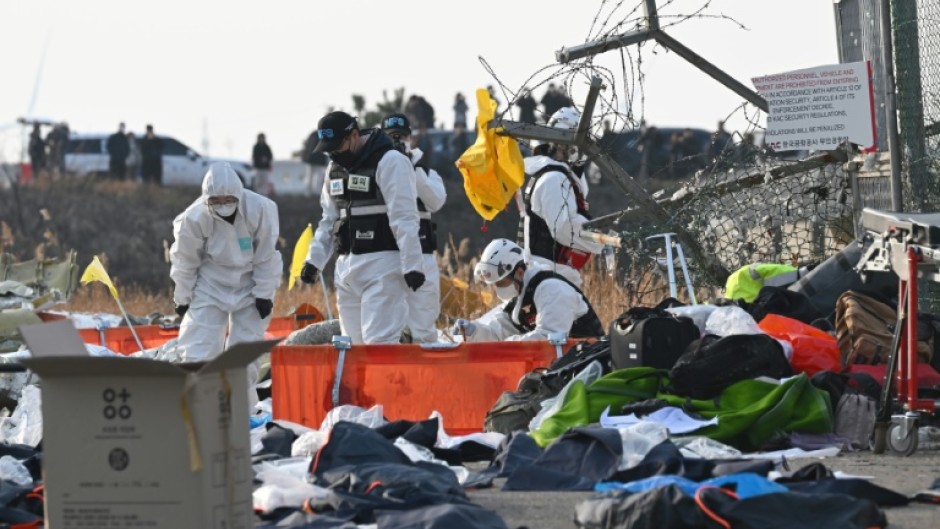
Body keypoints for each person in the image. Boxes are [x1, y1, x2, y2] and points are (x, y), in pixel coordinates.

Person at [299, 111, 425, 344]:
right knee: (352, 346)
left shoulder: (390, 161)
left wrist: (412, 265)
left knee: (380, 344)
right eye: (329, 149)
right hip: (346, 268)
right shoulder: (333, 169)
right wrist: (313, 261)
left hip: (383, 266)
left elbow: (404, 218)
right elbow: (329, 219)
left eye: (338, 146)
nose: (334, 153)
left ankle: (386, 381)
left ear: (354, 135)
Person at [169, 162, 282, 406]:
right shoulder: (193, 218)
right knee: (197, 353)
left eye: (228, 199)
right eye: (216, 201)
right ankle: (198, 410)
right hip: (210, 285)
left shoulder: (260, 209)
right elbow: (184, 261)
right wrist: (182, 297)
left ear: (238, 194)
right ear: (206, 199)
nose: (223, 204)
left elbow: (266, 256)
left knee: (244, 358)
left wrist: (264, 293)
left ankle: (244, 414)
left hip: (250, 284)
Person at [452, 239, 604, 342]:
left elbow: (549, 338)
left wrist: (510, 345)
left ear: (519, 272)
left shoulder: (552, 289)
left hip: (588, 366)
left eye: (501, 282)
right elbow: (498, 334)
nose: (498, 289)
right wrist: (473, 332)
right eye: (495, 284)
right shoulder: (518, 299)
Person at [520, 106, 603, 287]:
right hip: (548, 279)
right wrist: (604, 240)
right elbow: (564, 230)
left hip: (553, 276)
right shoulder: (554, 179)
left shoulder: (556, 176)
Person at [382, 112, 446, 343]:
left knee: (424, 326)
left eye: (401, 136)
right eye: (391, 137)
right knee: (390, 327)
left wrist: (410, 169)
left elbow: (435, 201)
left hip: (422, 254)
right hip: (388, 255)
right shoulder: (376, 170)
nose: (397, 141)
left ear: (410, 139)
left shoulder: (426, 172)